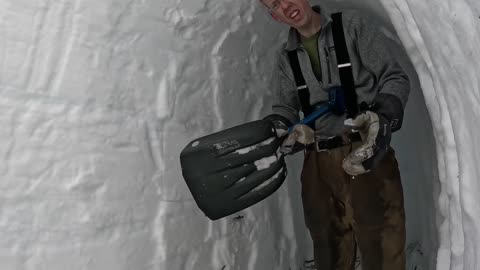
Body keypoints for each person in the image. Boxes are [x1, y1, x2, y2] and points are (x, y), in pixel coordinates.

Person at [259, 0, 410, 269]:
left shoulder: (352, 26)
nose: (285, 5)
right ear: (274, 17)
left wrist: (382, 116)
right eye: (274, 5)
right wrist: (285, 128)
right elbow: (284, 108)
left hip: (366, 153)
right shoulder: (286, 58)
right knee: (329, 252)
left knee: (383, 249)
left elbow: (394, 77)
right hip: (318, 165)